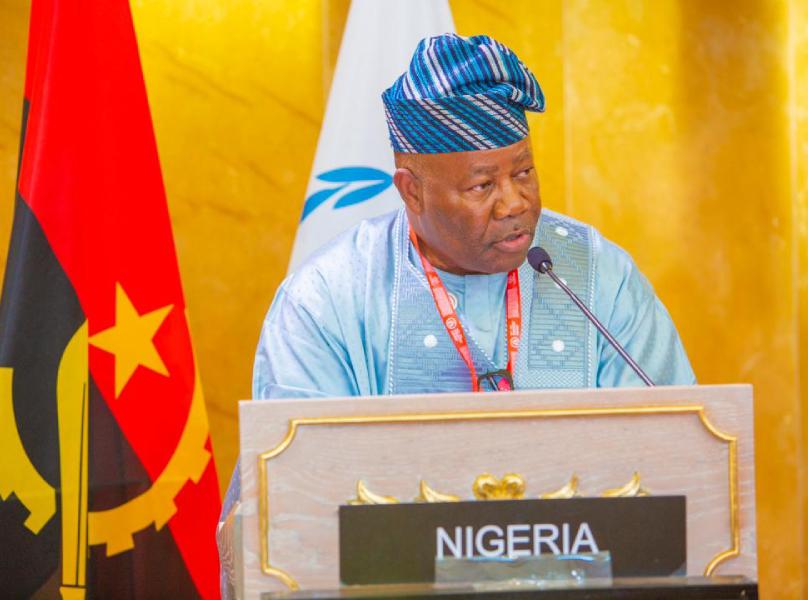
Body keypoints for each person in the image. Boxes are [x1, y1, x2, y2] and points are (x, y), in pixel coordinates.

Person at [218, 33, 695, 592]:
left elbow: (677, 468)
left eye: (523, 173)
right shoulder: (329, 298)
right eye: (482, 184)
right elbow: (294, 514)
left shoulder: (598, 276)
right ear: (411, 192)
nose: (515, 203)